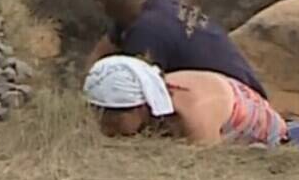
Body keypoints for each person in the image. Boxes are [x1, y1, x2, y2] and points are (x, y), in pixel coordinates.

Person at [81, 0, 268, 96]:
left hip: (238, 109)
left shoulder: (147, 33)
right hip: (246, 93)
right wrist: (87, 82)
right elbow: (107, 45)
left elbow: (135, 103)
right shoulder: (155, 0)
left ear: (100, 4)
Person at [83, 54, 288, 147]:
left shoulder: (194, 116)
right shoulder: (160, 98)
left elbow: (215, 171)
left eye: (111, 116)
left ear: (139, 107)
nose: (102, 124)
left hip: (268, 136)